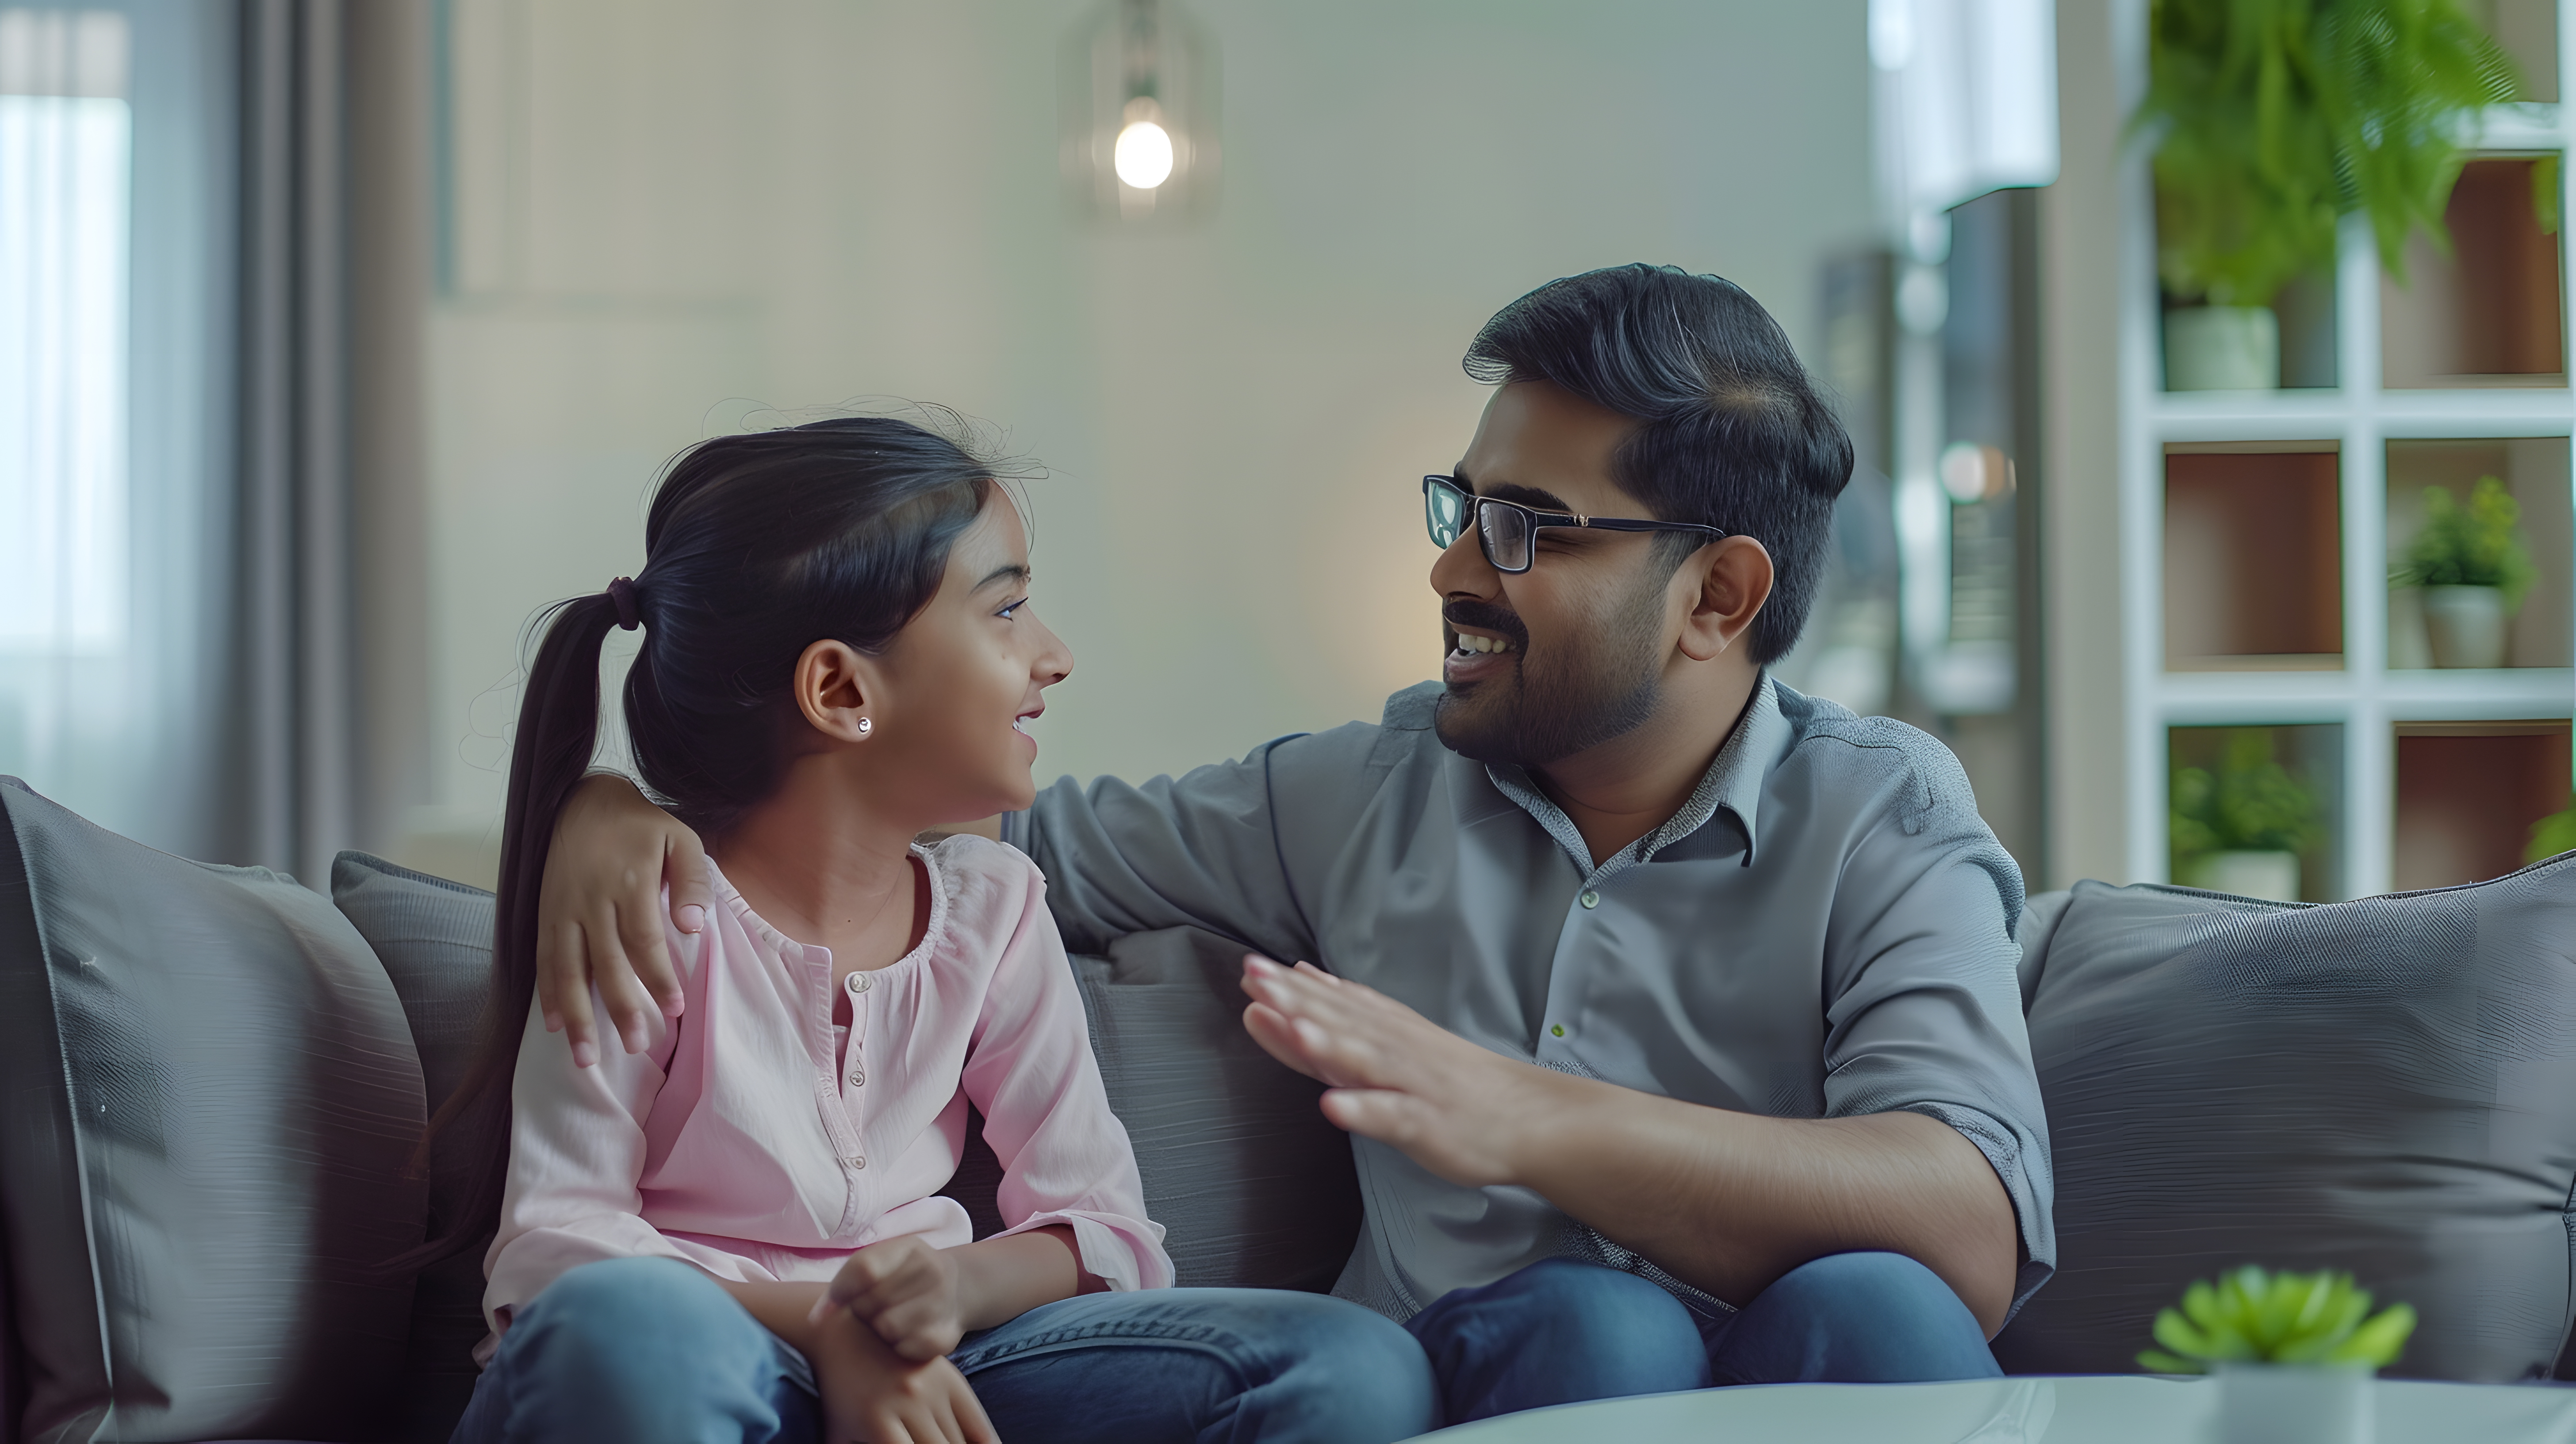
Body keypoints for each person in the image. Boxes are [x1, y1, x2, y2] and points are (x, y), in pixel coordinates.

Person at [539, 267, 2055, 1428]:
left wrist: (1527, 1119)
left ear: (1718, 597)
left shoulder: (1884, 813)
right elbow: (910, 815)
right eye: (1462, 508)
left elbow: (1966, 1223)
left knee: (1887, 1309)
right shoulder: (1360, 793)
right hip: (1499, 1375)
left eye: (1525, 529)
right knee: (1603, 1324)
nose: (1452, 571)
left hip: (1794, 1373)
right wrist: (620, 807)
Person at [430, 416, 1437, 1444]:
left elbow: (1107, 1231)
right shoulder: (642, 907)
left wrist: (946, 1292)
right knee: (622, 1328)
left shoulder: (993, 909)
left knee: (1347, 1366)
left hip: (933, 1367)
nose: (1055, 656)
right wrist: (827, 1328)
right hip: (691, 1362)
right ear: (841, 692)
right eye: (1005, 609)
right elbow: (555, 1253)